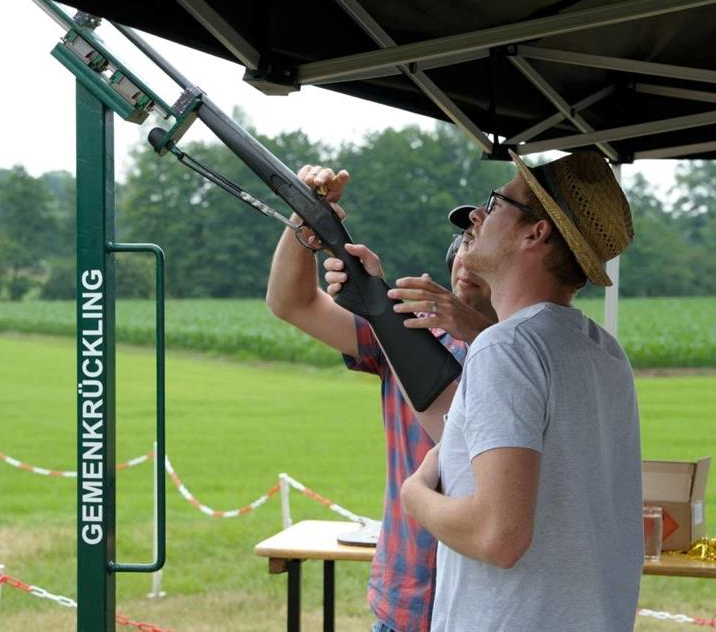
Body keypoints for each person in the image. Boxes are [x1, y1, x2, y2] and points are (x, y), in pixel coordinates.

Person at [397, 150, 643, 631]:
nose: (477, 215)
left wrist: (414, 495)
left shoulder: (505, 347)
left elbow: (499, 536)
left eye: (497, 201)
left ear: (538, 231)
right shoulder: (603, 351)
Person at [266, 164, 497, 632]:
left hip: (490, 606)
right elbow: (293, 303)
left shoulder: (536, 355)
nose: (467, 258)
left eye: (484, 245)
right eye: (466, 244)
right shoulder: (408, 331)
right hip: (408, 600)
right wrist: (307, 222)